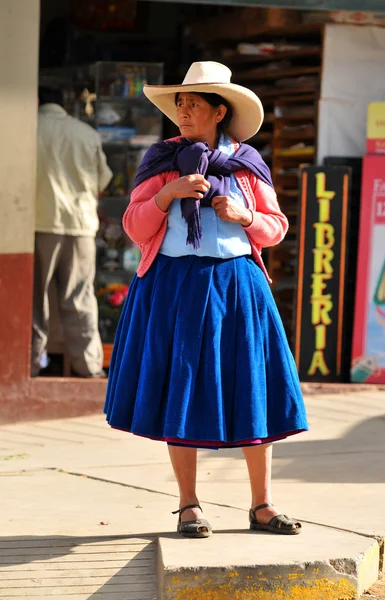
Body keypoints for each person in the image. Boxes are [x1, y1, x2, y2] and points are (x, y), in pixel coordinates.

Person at [104, 62, 308, 537]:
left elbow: (276, 228)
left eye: (194, 102)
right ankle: (189, 505)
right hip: (175, 287)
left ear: (220, 111)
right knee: (183, 388)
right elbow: (134, 227)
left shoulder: (247, 165)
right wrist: (166, 195)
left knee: (253, 389)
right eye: (180, 102)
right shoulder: (161, 161)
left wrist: (243, 214)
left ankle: (262, 505)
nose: (184, 110)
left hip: (239, 285)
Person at [32, 86, 113, 378]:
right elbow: (103, 180)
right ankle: (89, 368)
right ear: (66, 104)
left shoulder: (27, 129)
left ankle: (28, 364)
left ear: (36, 101)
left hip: (38, 223)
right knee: (80, 298)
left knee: (34, 300)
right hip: (80, 225)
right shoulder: (86, 133)